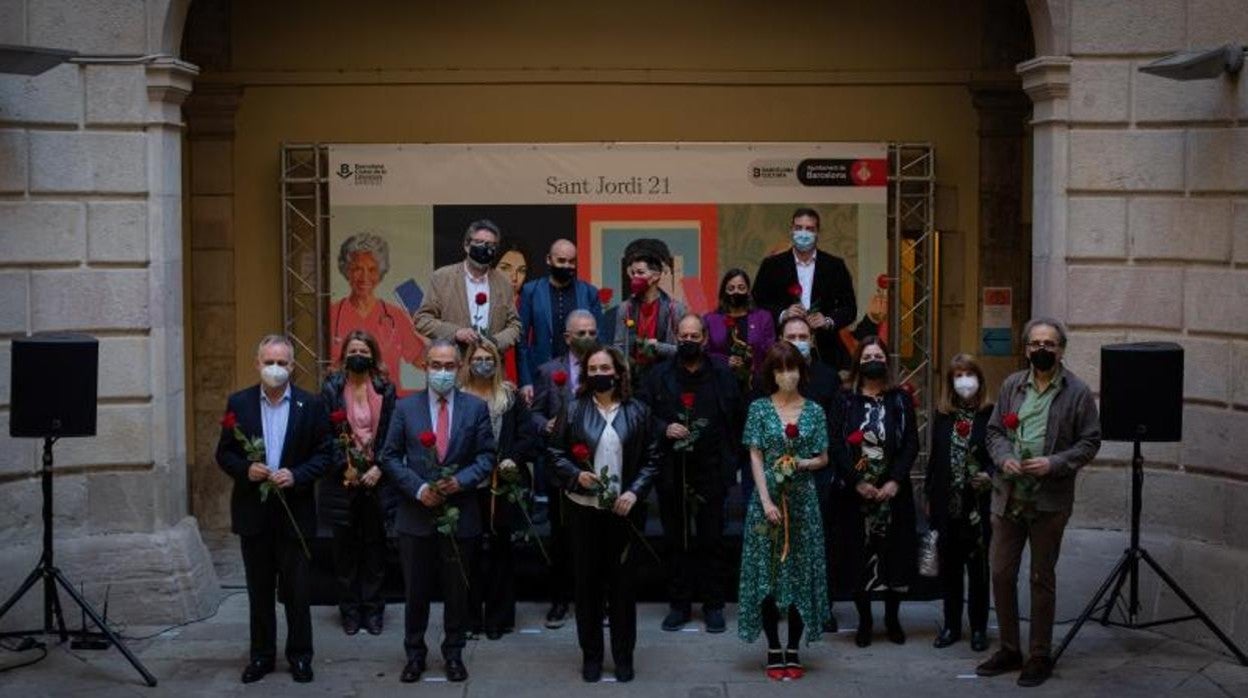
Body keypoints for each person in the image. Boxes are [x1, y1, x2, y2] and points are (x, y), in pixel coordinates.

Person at [975, 318, 1100, 688]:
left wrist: (1055, 463)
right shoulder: (1013, 385)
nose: (1041, 350)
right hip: (1009, 495)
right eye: (1035, 343)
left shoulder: (1077, 392)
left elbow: (1090, 442)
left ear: (1061, 349)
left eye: (1049, 344)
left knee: (1041, 578)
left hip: (1048, 501)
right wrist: (1002, 458)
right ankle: (1010, 647)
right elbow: (995, 431)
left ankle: (1040, 654)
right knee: (1000, 573)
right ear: (1026, 348)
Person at [379, 339, 496, 684]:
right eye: (435, 365)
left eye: (448, 366)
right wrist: (418, 488)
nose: (441, 372)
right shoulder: (405, 407)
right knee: (416, 591)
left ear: (459, 369)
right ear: (425, 367)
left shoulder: (475, 408)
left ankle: (454, 653)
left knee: (457, 592)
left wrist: (460, 481)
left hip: (461, 516)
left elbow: (487, 456)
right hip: (415, 516)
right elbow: (388, 456)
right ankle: (414, 654)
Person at [215, 334, 330, 684]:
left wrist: (297, 475)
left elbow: (325, 454)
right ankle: (261, 656)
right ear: (257, 364)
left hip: (295, 514)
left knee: (297, 591)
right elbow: (225, 453)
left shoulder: (310, 405)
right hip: (254, 515)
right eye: (269, 362)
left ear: (293, 366)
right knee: (259, 591)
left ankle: (300, 656)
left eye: (282, 363)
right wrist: (245, 470)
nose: (275, 369)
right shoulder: (240, 403)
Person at [548, 345, 660, 683]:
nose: (599, 374)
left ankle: (624, 656)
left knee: (623, 588)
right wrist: (575, 475)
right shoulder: (573, 409)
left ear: (618, 372)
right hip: (585, 511)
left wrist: (634, 491)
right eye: (593, 369)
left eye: (604, 368)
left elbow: (653, 459)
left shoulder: (638, 411)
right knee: (587, 587)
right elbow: (554, 452)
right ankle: (592, 656)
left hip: (623, 513)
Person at [639, 314, 742, 634]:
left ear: (705, 339)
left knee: (712, 540)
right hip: (673, 470)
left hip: (712, 470)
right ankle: (679, 604)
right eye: (683, 336)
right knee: (676, 540)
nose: (688, 341)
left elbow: (736, 419)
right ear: (675, 336)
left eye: (694, 336)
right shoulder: (657, 375)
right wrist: (662, 427)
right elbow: (642, 414)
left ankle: (713, 605)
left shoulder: (723, 375)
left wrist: (731, 461)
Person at [737, 341, 831, 681]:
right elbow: (755, 455)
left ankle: (793, 649)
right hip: (767, 501)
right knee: (767, 576)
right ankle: (773, 648)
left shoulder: (815, 411)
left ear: (801, 372)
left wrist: (800, 463)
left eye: (792, 369)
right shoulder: (759, 409)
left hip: (803, 502)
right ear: (771, 374)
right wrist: (766, 502)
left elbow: (824, 457)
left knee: (799, 578)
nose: (786, 375)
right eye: (780, 369)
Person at [832, 336, 918, 648]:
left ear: (886, 360)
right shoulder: (844, 399)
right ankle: (865, 621)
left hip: (893, 494)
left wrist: (894, 481)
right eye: (867, 355)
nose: (873, 360)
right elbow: (837, 444)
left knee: (893, 556)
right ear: (858, 361)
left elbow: (911, 443)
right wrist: (857, 481)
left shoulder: (900, 398)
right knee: (859, 557)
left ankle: (892, 619)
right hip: (856, 495)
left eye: (878, 355)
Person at [459, 338, 540, 640]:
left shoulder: (510, 396)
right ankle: (469, 618)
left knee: (500, 553)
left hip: (502, 486)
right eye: (477, 358)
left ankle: (498, 618)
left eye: (488, 358)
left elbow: (527, 436)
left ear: (497, 362)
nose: (483, 363)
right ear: (468, 363)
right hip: (469, 486)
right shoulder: (459, 397)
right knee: (468, 553)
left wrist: (512, 459)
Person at [318, 330, 398, 637]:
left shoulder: (385, 388)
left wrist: (379, 467)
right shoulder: (331, 388)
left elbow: (393, 433)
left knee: (375, 550)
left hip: (377, 480)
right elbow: (324, 434)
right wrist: (345, 466)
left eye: (364, 351)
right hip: (344, 482)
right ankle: (350, 612)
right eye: (354, 350)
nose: (359, 356)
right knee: (345, 551)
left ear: (373, 355)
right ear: (344, 355)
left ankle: (374, 611)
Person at [529, 309, 599, 629]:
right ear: (567, 337)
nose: (587, 338)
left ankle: (600, 601)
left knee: (598, 538)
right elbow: (534, 414)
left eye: (591, 332)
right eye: (580, 333)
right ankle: (560, 600)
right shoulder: (548, 371)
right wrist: (546, 426)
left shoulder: (606, 365)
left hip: (597, 465)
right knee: (561, 537)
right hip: (561, 468)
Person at [777, 314, 847, 633]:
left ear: (812, 340)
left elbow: (835, 429)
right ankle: (786, 603)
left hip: (818, 471)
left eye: (803, 336)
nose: (797, 341)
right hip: (780, 472)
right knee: (784, 540)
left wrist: (817, 461)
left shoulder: (828, 377)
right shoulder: (769, 376)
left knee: (820, 542)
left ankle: (822, 606)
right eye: (791, 336)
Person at [924, 354, 994, 652]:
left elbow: (1000, 453)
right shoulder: (944, 415)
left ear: (979, 378)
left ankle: (978, 628)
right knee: (950, 569)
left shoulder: (989, 414)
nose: (964, 379)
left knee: (978, 569)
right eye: (958, 375)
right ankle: (951, 625)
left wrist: (990, 476)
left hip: (977, 505)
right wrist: (929, 496)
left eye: (969, 373)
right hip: (946, 504)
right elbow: (935, 458)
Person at [751, 207, 857, 371]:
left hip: (825, 349)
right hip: (782, 348)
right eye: (798, 228)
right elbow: (757, 304)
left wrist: (828, 320)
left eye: (809, 229)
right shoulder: (772, 265)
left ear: (817, 233)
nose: (803, 233)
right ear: (791, 230)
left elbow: (849, 308)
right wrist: (783, 314)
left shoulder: (835, 266)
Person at [329, 232, 426, 395]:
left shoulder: (397, 316)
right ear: (346, 271)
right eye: (357, 269)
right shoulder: (331, 315)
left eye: (372, 269)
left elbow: (423, 362)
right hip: (343, 406)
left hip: (390, 408)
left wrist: (429, 335)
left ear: (380, 273)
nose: (365, 276)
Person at [413, 219, 521, 354]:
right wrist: (456, 333)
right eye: (479, 242)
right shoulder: (442, 278)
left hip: (491, 366)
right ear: (467, 245)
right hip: (455, 364)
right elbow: (422, 320)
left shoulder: (503, 282)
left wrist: (495, 342)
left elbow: (515, 326)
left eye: (491, 245)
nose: (485, 248)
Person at [517, 238, 606, 404]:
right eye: (561, 260)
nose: (567, 266)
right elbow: (521, 341)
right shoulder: (531, 290)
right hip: (542, 371)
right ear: (549, 259)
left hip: (582, 373)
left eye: (572, 261)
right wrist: (526, 381)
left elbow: (599, 338)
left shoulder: (589, 292)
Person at [613, 246, 687, 382]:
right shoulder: (625, 308)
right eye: (633, 273)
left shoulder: (676, 309)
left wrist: (658, 347)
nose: (635, 277)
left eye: (640, 273)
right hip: (633, 380)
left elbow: (683, 350)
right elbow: (618, 346)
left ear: (656, 276)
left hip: (665, 378)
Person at [704, 268, 775, 390]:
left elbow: (771, 351)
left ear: (748, 291)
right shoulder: (710, 319)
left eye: (741, 288)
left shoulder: (763, 317)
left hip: (755, 384)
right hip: (720, 384)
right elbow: (704, 353)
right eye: (731, 288)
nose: (736, 292)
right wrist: (725, 361)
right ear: (723, 292)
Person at [493, 239, 530, 384]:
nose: (514, 278)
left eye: (521, 270)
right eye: (505, 268)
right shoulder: (479, 303)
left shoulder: (531, 305)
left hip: (525, 386)